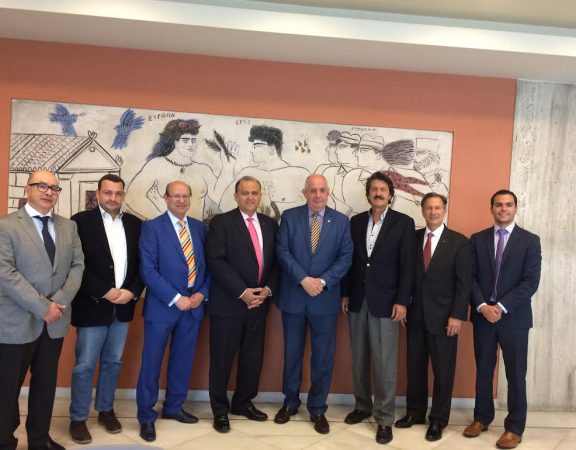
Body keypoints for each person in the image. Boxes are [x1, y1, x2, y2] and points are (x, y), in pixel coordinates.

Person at [0, 170, 84, 450]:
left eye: (54, 188)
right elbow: (5, 272)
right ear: (28, 190)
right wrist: (42, 306)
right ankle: (4, 440)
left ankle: (39, 439)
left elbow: (77, 266)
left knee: (45, 385)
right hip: (15, 322)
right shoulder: (6, 226)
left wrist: (58, 302)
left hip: (55, 321)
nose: (49, 192)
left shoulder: (68, 227)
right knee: (6, 388)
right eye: (42, 186)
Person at [341, 171, 416, 445]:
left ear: (390, 195)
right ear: (368, 194)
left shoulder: (404, 223)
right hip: (357, 300)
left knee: (385, 364)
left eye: (383, 189)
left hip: (387, 303)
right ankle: (362, 406)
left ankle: (384, 418)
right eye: (374, 189)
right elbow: (349, 261)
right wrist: (345, 293)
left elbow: (408, 266)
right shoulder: (356, 222)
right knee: (359, 358)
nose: (378, 193)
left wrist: (402, 301)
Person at [68, 174, 144, 444]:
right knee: (85, 365)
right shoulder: (79, 222)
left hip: (123, 306)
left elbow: (142, 264)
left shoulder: (135, 224)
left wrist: (132, 291)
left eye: (118, 193)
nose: (113, 198)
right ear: (98, 194)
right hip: (92, 305)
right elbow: (75, 264)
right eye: (108, 193)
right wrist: (104, 290)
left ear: (123, 195)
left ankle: (105, 410)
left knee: (113, 362)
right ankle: (78, 418)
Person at [274, 174, 353, 434]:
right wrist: (303, 279)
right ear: (304, 192)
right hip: (294, 297)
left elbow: (345, 257)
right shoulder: (290, 217)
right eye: (312, 190)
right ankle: (290, 402)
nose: (317, 195)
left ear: (328, 192)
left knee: (323, 358)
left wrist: (322, 282)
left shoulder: (341, 221)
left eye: (322, 190)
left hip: (324, 299)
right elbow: (282, 251)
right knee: (292, 355)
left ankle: (318, 408)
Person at [463, 190, 541, 449]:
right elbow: (470, 277)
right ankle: (481, 417)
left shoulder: (530, 241)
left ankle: (514, 427)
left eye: (508, 205)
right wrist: (483, 306)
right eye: (499, 205)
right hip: (483, 316)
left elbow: (530, 282)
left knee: (516, 375)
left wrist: (501, 306)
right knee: (484, 370)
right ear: (492, 208)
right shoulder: (477, 239)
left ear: (515, 208)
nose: (503, 209)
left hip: (514, 318)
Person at [136, 180, 211, 442]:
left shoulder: (199, 228)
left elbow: (208, 267)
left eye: (185, 196)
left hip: (193, 306)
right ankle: (146, 416)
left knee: (183, 359)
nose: (181, 200)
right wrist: (176, 298)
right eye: (176, 196)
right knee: (151, 362)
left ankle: (174, 406)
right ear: (166, 198)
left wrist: (201, 293)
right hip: (163, 306)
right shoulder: (152, 227)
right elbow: (148, 270)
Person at [395, 193, 472, 441]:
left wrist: (457, 316)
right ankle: (415, 412)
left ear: (444, 210)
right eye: (429, 208)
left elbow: (463, 285)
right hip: (415, 316)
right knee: (415, 368)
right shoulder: (413, 238)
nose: (433, 212)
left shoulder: (459, 243)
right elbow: (406, 275)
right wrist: (403, 304)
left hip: (445, 319)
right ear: (423, 210)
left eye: (438, 208)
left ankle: (438, 419)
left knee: (443, 371)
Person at [206, 176, 279, 433]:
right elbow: (216, 261)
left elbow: (276, 262)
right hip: (229, 304)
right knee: (222, 359)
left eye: (254, 193)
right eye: (245, 193)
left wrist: (266, 290)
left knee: (252, 357)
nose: (250, 197)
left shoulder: (270, 224)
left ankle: (243, 403)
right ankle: (220, 410)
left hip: (259, 304)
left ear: (260, 196)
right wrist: (242, 292)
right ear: (236, 196)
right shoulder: (221, 223)